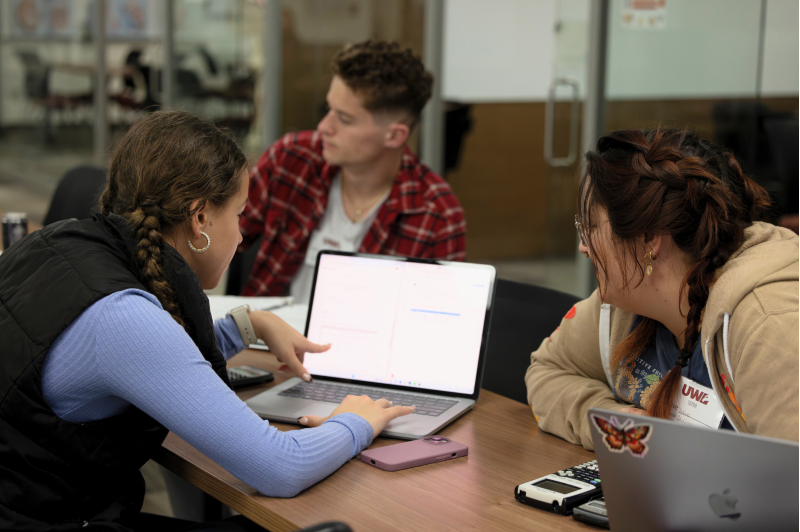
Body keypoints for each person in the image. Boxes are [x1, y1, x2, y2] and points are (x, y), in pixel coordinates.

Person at [0, 111, 414, 531]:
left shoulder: (58, 244)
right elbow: (281, 467)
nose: (241, 235)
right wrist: (358, 420)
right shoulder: (122, 316)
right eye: (239, 213)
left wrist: (246, 325)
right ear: (199, 219)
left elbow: (145, 359)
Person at [525, 128, 798, 450]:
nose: (584, 247)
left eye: (590, 227)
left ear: (649, 240)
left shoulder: (772, 322)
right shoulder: (627, 298)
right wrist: (623, 429)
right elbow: (548, 371)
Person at [237, 40, 466, 302]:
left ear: (394, 136)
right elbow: (218, 241)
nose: (324, 126)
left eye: (344, 119)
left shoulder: (437, 215)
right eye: (328, 109)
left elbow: (438, 320)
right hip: (265, 338)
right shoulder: (290, 160)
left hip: (369, 342)